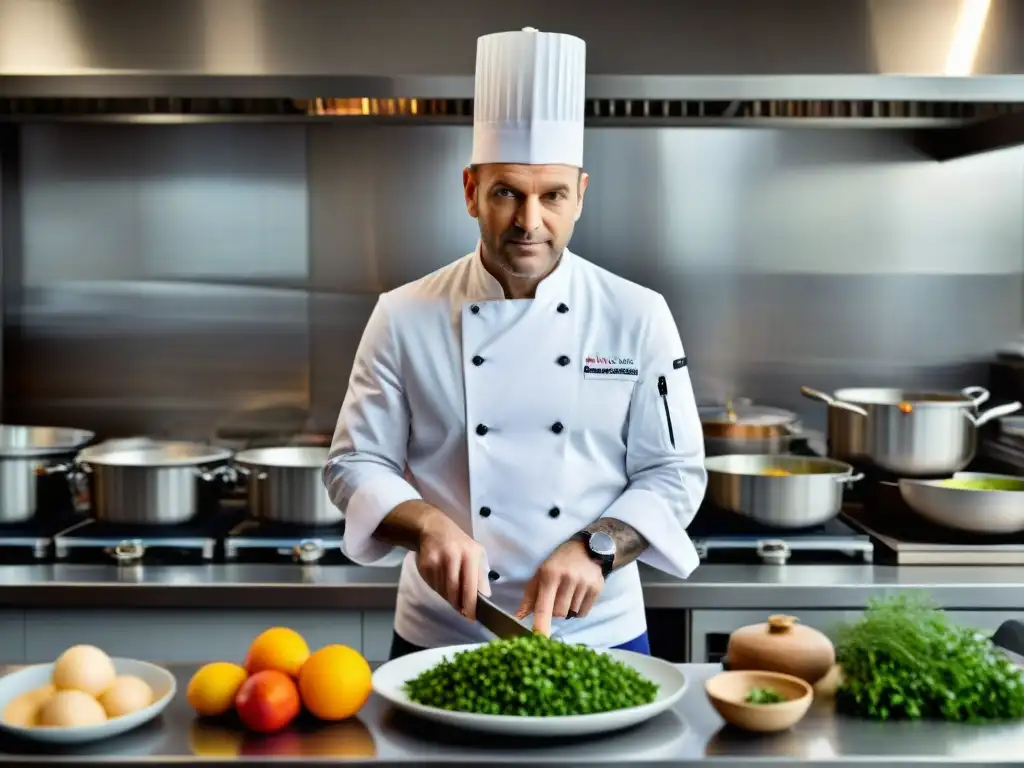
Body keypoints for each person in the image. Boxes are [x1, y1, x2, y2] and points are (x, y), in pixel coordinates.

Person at [324, 27, 707, 660]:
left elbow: (674, 471)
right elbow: (353, 463)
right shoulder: (403, 315)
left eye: (552, 195)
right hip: (442, 631)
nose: (530, 222)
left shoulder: (638, 315)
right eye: (507, 192)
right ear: (471, 191)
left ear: (580, 196)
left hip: (597, 633)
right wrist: (426, 526)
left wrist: (598, 548)